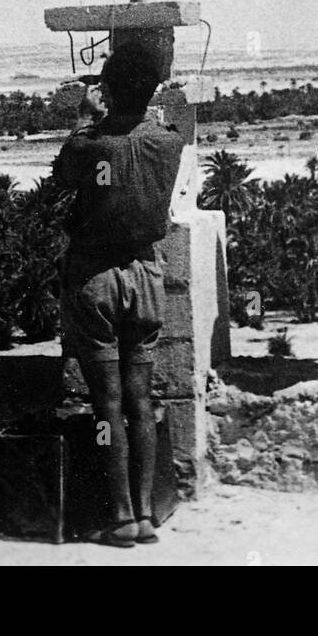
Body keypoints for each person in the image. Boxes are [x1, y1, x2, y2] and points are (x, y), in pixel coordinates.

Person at [53, 42, 184, 546]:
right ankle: (148, 513)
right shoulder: (168, 143)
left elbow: (64, 174)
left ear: (106, 89)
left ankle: (121, 515)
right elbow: (166, 131)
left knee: (107, 405)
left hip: (97, 279)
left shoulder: (91, 146)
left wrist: (84, 120)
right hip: (147, 277)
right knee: (141, 399)